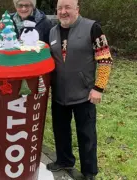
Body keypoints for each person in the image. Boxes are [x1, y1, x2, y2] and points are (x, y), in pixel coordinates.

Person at [47, 0, 113, 179]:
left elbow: (105, 60)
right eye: (60, 8)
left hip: (85, 93)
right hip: (59, 93)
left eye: (67, 7)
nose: (63, 11)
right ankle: (64, 160)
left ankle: (89, 172)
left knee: (87, 135)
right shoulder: (52, 31)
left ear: (77, 9)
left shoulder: (93, 28)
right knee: (60, 131)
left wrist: (98, 88)